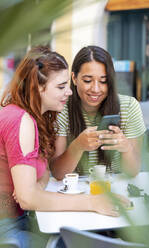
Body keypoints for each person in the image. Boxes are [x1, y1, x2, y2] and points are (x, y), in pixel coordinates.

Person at [0, 46, 130, 248]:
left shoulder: (32, 117)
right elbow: (27, 199)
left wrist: (34, 189)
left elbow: (42, 174)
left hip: (18, 220)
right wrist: (93, 203)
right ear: (37, 88)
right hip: (7, 228)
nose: (69, 92)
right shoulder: (21, 121)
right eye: (61, 87)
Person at [50, 45, 146, 179]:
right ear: (74, 78)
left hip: (115, 189)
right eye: (87, 80)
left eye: (103, 81)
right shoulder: (61, 109)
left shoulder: (129, 107)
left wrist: (126, 148)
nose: (95, 89)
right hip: (75, 190)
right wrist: (77, 146)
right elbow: (58, 173)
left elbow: (133, 172)